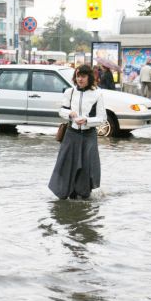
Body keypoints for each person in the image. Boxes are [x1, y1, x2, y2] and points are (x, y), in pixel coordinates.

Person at [49, 65, 106, 200]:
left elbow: (102, 118)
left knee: (87, 165)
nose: (80, 79)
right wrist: (70, 113)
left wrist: (87, 120)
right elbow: (61, 111)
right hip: (71, 133)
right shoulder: (70, 92)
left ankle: (84, 193)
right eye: (78, 76)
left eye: (83, 76)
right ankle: (67, 193)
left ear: (89, 77)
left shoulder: (98, 94)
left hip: (89, 135)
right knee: (67, 164)